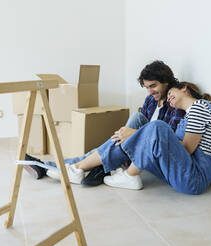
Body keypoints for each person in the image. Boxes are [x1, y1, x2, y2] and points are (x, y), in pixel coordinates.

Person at [24, 60, 185, 186]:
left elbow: (166, 138)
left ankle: (60, 167)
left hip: (154, 150)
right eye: (147, 87)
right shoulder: (151, 99)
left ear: (166, 81)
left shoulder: (175, 99)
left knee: (107, 148)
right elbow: (140, 126)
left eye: (153, 86)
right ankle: (90, 166)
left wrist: (132, 136)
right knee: (133, 121)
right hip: (139, 145)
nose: (150, 91)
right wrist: (128, 137)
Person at [46, 81, 211, 194]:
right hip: (181, 172)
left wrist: (140, 138)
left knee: (156, 128)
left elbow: (186, 150)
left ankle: (129, 175)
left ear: (184, 88)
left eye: (171, 94)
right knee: (135, 132)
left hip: (194, 179)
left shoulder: (200, 106)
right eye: (168, 97)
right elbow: (176, 151)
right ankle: (76, 168)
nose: (169, 98)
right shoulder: (189, 114)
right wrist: (139, 140)